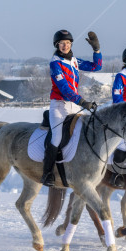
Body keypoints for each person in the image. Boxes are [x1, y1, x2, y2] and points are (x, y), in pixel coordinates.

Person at [43, 29, 101, 186]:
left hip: (74, 105)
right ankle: (47, 173)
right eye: (62, 44)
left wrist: (96, 50)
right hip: (59, 105)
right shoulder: (55, 63)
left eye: (68, 43)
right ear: (57, 45)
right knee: (56, 137)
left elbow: (96, 67)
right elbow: (65, 89)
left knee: (85, 133)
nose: (65, 46)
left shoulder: (74, 61)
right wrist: (82, 101)